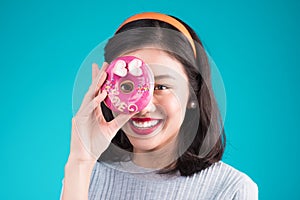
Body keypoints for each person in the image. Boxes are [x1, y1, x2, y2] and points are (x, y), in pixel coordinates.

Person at [61, 12, 258, 200]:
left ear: (193, 96)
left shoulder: (231, 189)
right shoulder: (85, 175)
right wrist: (80, 162)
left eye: (161, 87)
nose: (143, 107)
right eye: (128, 86)